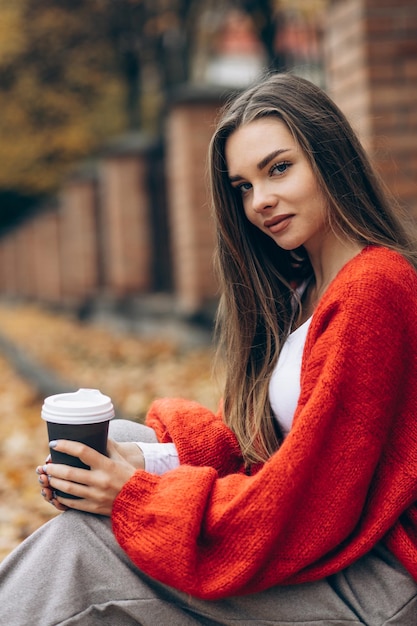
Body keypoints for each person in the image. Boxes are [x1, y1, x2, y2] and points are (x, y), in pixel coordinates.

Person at [1, 72, 417, 625]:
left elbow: (311, 501)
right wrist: (142, 461)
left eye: (279, 168)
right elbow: (262, 445)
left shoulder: (375, 287)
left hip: (373, 575)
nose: (260, 201)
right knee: (120, 439)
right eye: (243, 186)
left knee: (81, 547)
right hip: (322, 545)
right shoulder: (301, 293)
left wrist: (134, 496)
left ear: (330, 157)